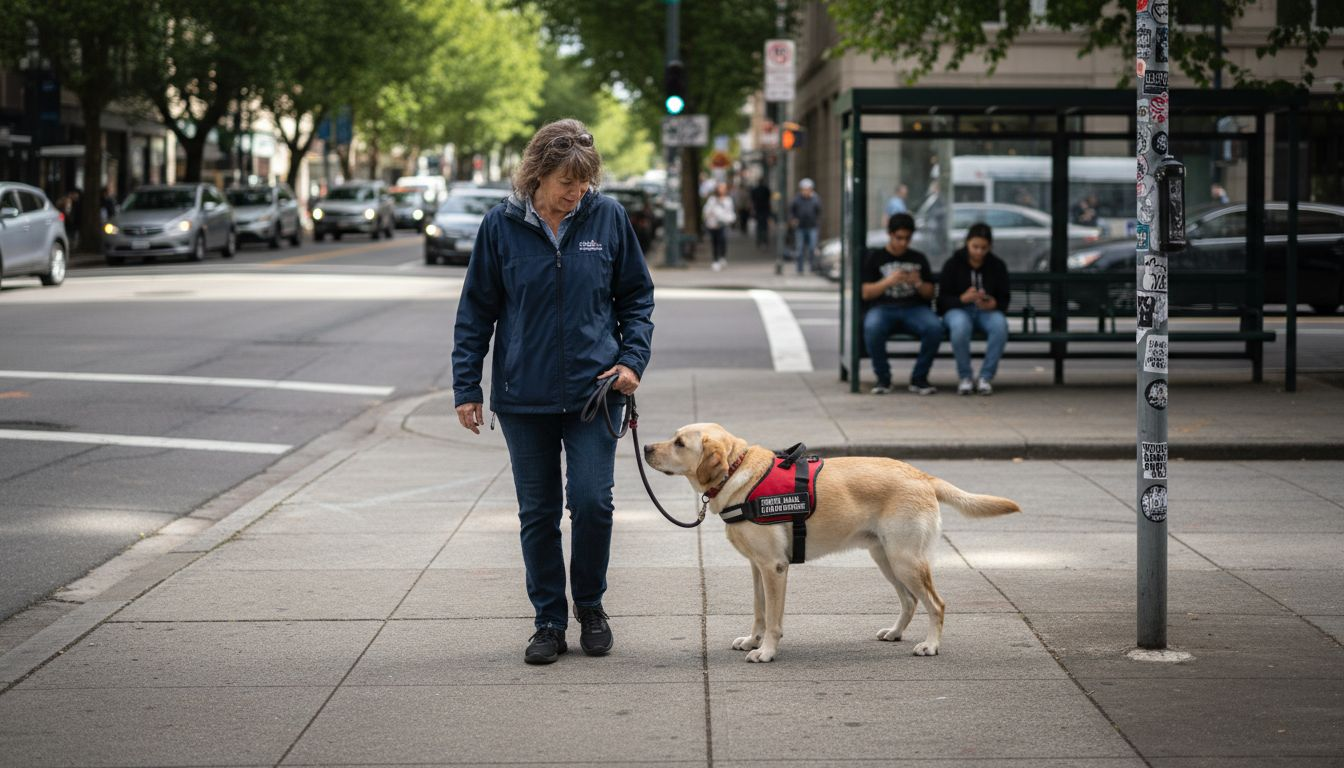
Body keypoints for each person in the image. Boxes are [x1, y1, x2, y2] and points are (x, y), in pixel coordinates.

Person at [452, 119, 655, 666]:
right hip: (524, 396)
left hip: (595, 390)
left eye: (585, 181)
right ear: (538, 174)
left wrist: (632, 361)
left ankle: (590, 605)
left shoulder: (606, 217)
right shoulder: (501, 226)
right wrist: (466, 385)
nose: (577, 191)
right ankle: (547, 620)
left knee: (593, 504)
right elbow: (476, 310)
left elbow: (636, 298)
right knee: (538, 513)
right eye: (568, 180)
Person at [861, 212, 941, 395]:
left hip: (914, 308)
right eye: (899, 238)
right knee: (872, 327)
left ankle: (919, 378)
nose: (903, 243)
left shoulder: (918, 258)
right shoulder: (876, 257)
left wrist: (918, 282)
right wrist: (889, 281)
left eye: (907, 238)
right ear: (890, 234)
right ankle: (883, 378)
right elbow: (866, 293)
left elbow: (930, 294)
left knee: (934, 327)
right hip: (883, 308)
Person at [938, 223, 1010, 396]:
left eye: (983, 248)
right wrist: (962, 299)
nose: (979, 252)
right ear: (967, 243)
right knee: (960, 326)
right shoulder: (953, 264)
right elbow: (941, 300)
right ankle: (966, 377)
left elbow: (1004, 298)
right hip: (958, 310)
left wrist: (994, 303)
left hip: (986, 311)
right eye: (975, 247)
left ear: (990, 247)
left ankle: (986, 376)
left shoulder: (997, 265)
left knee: (1000, 326)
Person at [702, 181, 736, 271]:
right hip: (713, 224)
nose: (722, 190)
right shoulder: (712, 199)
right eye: (720, 188)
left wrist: (730, 219)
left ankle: (722, 256)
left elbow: (730, 211)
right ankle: (715, 260)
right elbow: (706, 211)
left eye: (723, 188)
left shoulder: (728, 200)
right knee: (715, 242)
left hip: (723, 223)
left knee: (723, 239)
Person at [789, 178, 821, 274]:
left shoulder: (815, 199)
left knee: (812, 247)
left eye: (808, 189)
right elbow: (791, 211)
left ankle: (812, 267)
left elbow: (818, 211)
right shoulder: (797, 199)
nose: (806, 191)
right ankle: (800, 269)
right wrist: (793, 219)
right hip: (800, 227)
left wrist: (817, 222)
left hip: (812, 226)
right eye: (804, 189)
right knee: (800, 248)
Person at [750, 178, 772, 249]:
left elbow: (752, 200)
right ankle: (764, 241)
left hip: (758, 209)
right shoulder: (766, 189)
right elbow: (769, 199)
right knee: (764, 226)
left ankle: (759, 241)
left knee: (759, 226)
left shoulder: (755, 190)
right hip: (764, 209)